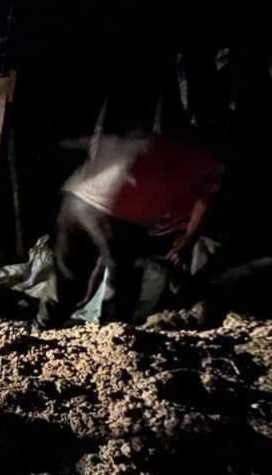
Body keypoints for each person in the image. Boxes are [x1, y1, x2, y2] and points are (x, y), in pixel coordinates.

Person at [36, 132, 223, 329]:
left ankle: (43, 326)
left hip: (76, 200)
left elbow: (80, 144)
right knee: (123, 282)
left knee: (68, 274)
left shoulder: (144, 139)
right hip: (119, 211)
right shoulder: (207, 163)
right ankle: (114, 337)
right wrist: (187, 242)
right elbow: (202, 207)